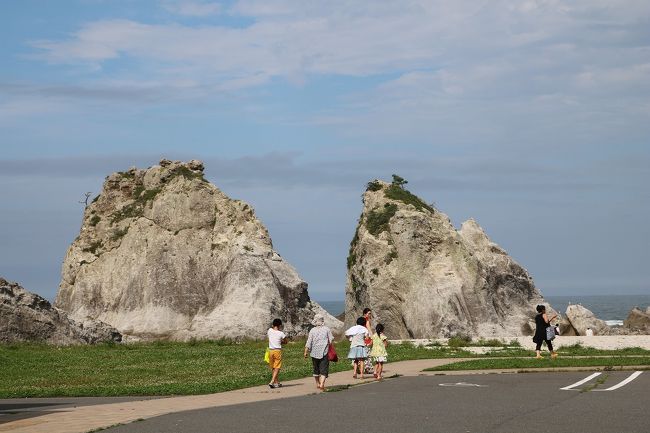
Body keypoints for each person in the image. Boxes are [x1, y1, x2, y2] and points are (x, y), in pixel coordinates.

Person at [304, 314, 334, 391]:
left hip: (314, 352)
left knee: (316, 369)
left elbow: (309, 341)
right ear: (322, 320)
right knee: (324, 369)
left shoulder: (312, 330)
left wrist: (306, 351)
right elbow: (331, 340)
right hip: (324, 351)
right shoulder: (327, 329)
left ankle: (317, 383)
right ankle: (322, 384)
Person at [267, 318, 287, 388]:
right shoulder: (281, 333)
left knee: (273, 367)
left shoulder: (269, 331)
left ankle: (277, 382)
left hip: (270, 351)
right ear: (280, 325)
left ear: (273, 324)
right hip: (277, 351)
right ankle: (272, 381)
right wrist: (281, 342)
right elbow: (285, 341)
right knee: (277, 367)